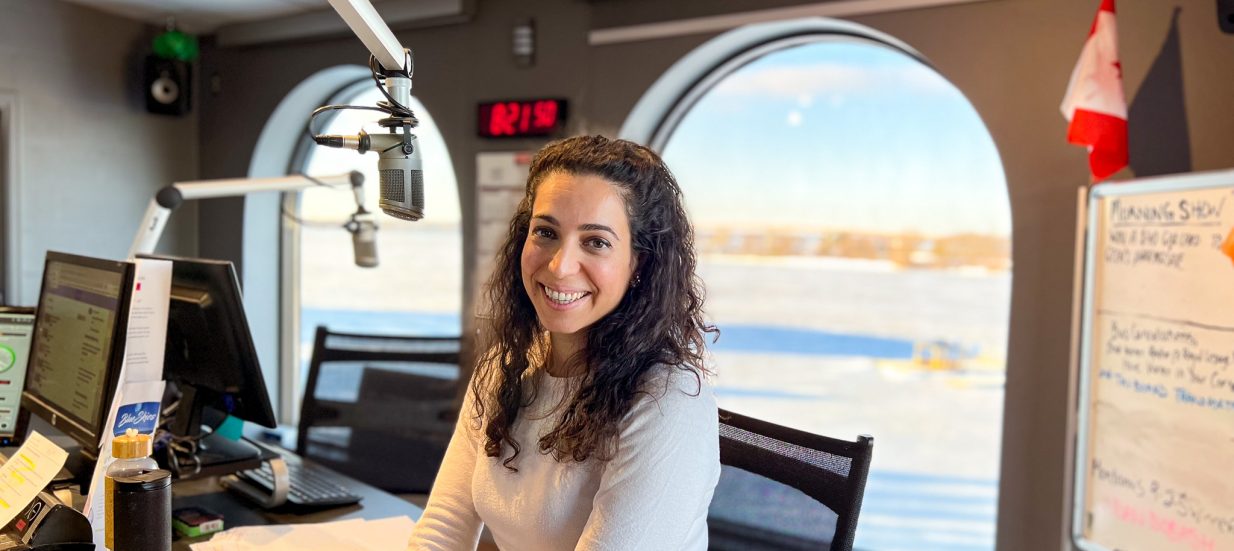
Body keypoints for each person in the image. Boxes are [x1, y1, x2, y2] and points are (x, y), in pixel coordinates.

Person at [409, 135, 721, 550]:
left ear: (639, 262)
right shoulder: (505, 368)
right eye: (546, 232)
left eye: (596, 242)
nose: (560, 266)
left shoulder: (668, 399)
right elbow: (444, 527)